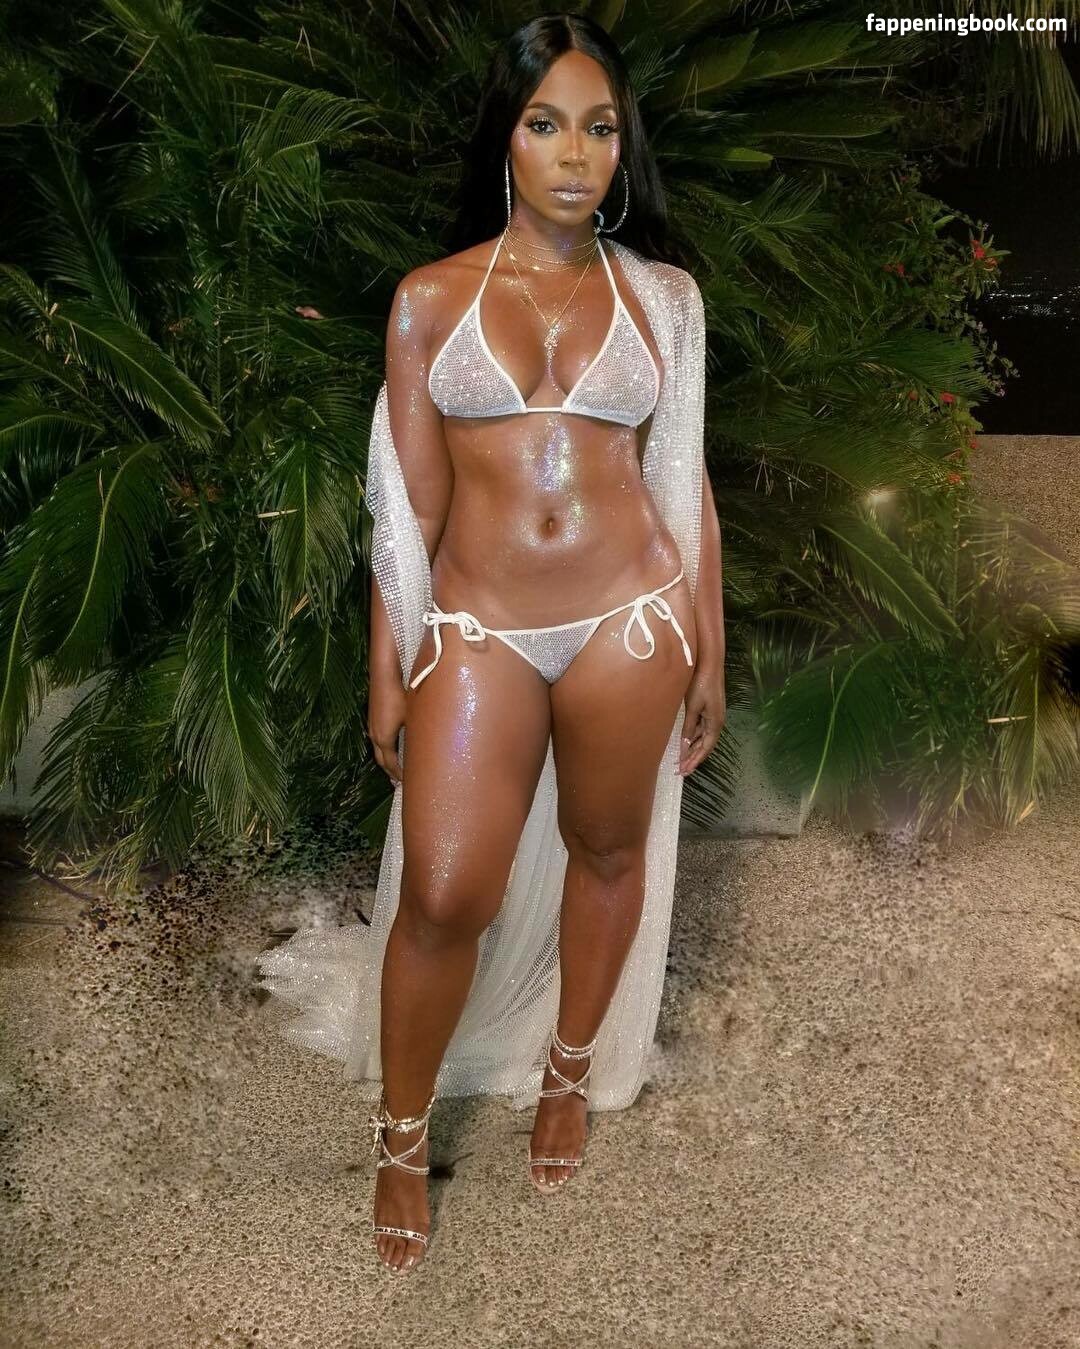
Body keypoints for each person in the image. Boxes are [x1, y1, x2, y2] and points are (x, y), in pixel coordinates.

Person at [255, 12, 726, 1277]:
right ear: (505, 138)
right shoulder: (430, 300)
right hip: (479, 627)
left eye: (600, 127)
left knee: (610, 848)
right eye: (545, 123)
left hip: (632, 616)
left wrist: (709, 645)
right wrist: (388, 664)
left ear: (623, 147)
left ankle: (568, 1070)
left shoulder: (666, 301)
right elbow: (404, 510)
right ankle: (402, 1138)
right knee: (445, 890)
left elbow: (683, 484)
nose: (575, 153)